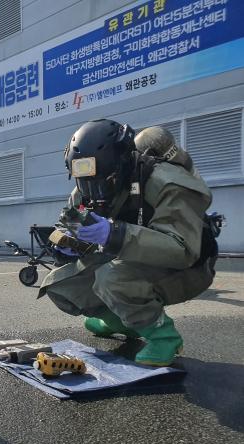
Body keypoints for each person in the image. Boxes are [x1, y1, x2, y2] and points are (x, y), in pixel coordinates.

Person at [39, 120, 216, 367]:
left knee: (112, 278)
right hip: (130, 256)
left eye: (103, 180)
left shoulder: (167, 182)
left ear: (121, 165)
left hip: (190, 267)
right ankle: (126, 322)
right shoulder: (88, 182)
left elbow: (182, 249)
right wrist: (66, 240)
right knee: (61, 284)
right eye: (84, 181)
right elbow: (71, 218)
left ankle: (163, 336)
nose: (93, 190)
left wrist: (115, 234)